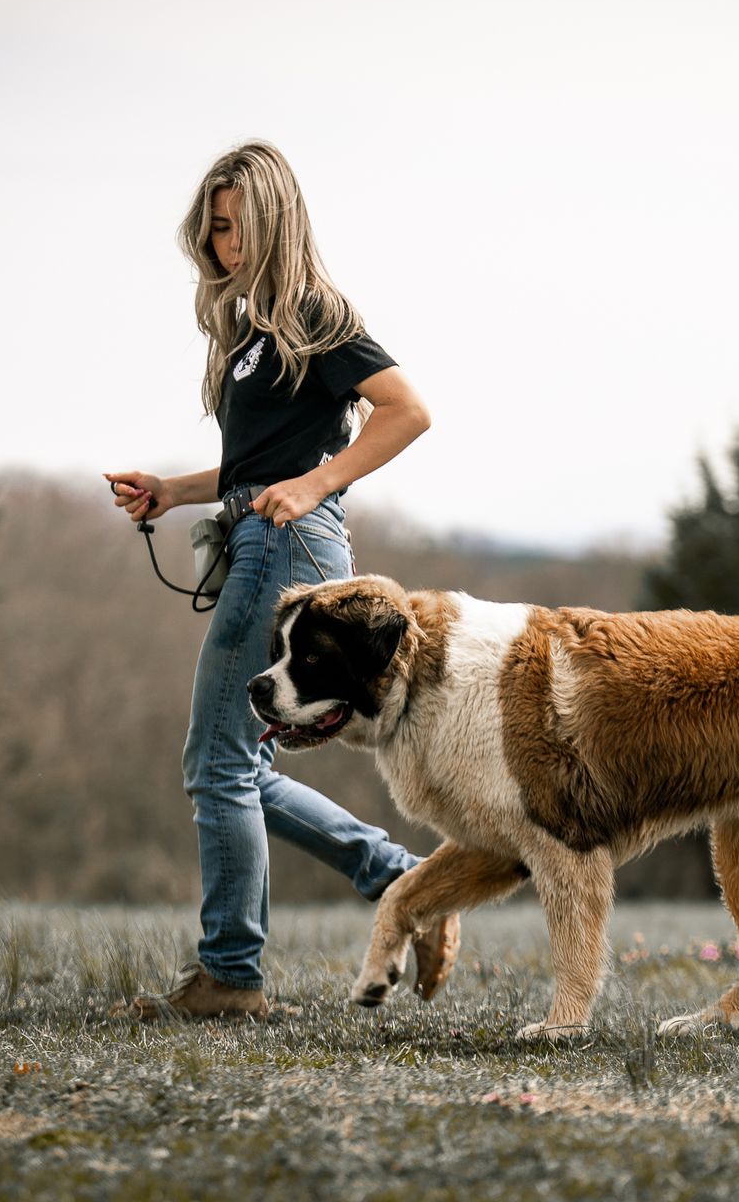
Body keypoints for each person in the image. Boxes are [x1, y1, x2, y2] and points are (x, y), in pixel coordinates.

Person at [105, 140, 458, 1020]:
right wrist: (173, 492)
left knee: (216, 763)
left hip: (290, 548)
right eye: (214, 229)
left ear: (274, 219)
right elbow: (254, 465)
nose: (225, 243)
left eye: (237, 225)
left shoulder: (311, 311)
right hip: (264, 538)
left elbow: (407, 410)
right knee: (242, 767)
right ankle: (406, 880)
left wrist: (315, 484)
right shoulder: (253, 332)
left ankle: (230, 975)